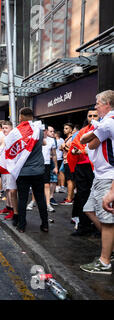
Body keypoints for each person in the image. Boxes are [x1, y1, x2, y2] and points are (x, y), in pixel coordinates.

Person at [79, 90, 114, 274]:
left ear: (107, 103)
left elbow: (87, 141)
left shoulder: (109, 122)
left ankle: (105, 262)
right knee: (89, 210)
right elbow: (87, 141)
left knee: (108, 221)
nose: (95, 106)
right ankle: (111, 248)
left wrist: (112, 190)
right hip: (100, 177)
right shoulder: (104, 122)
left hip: (108, 178)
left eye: (98, 103)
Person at [9, 107, 49, 233]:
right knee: (40, 198)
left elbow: (10, 149)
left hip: (23, 171)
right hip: (38, 170)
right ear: (32, 116)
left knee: (22, 199)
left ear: (21, 117)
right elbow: (43, 143)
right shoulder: (39, 130)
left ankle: (21, 225)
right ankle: (45, 224)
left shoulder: (16, 133)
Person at [68, 109, 99, 236]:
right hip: (81, 167)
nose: (92, 117)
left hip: (95, 168)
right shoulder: (83, 130)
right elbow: (75, 145)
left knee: (97, 197)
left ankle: (98, 228)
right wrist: (75, 151)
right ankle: (84, 226)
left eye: (95, 115)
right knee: (82, 197)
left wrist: (83, 151)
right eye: (90, 115)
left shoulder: (102, 128)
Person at [0, 120, 18, 221]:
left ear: (11, 128)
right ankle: (8, 207)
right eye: (3, 128)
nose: (4, 130)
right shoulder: (3, 137)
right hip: (3, 167)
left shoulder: (13, 138)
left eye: (6, 128)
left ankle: (13, 210)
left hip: (10, 168)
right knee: (6, 189)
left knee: (11, 190)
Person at [59, 123, 75, 205]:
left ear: (71, 130)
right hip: (66, 161)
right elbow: (64, 149)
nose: (64, 130)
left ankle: (69, 199)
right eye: (64, 128)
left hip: (69, 161)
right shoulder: (66, 139)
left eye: (66, 128)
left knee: (70, 180)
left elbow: (73, 150)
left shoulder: (72, 138)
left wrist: (64, 146)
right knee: (70, 180)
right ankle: (70, 197)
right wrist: (62, 148)